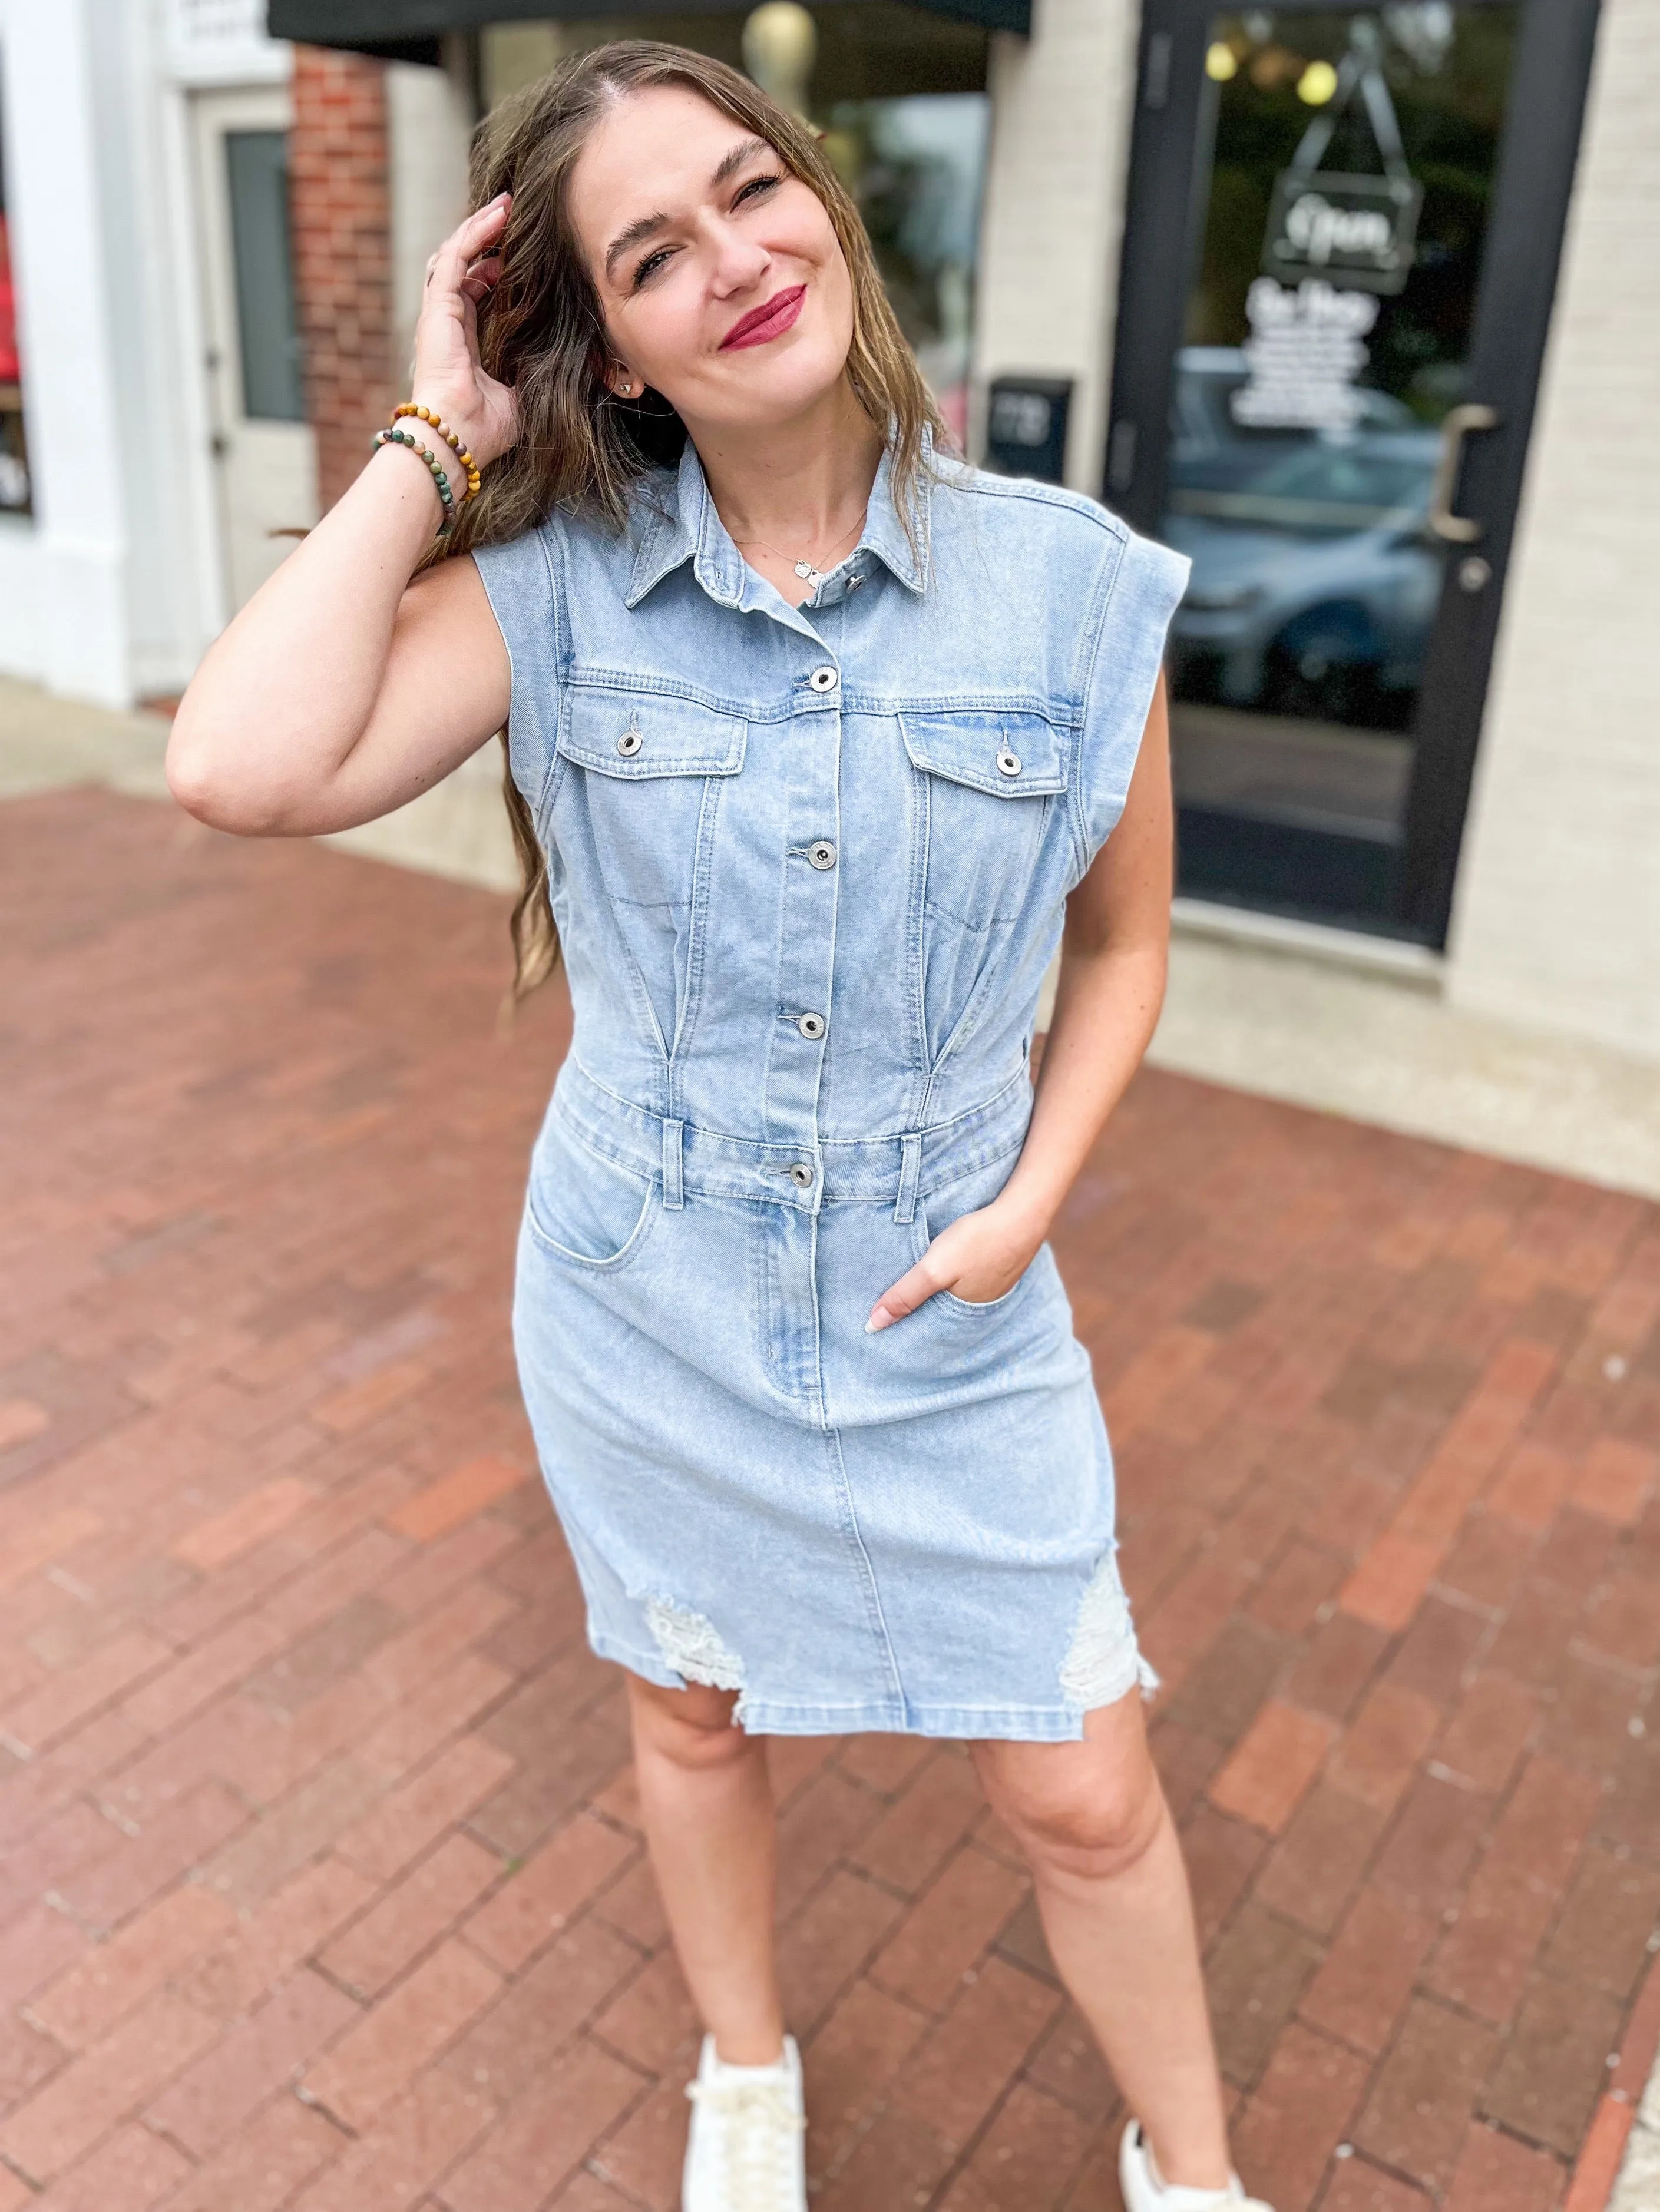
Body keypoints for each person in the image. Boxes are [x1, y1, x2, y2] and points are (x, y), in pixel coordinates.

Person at [168, 42, 1272, 2212]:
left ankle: (1201, 2169)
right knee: (693, 1715)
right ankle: (743, 2067)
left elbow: (1126, 949)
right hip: (641, 1288)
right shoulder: (562, 592)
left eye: (753, 192)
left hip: (953, 1301)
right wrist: (438, 425)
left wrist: (1026, 1209)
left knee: (1083, 1790)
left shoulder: (1072, 589)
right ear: (621, 352)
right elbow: (237, 763)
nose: (736, 263)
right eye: (651, 256)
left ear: (832, 207)